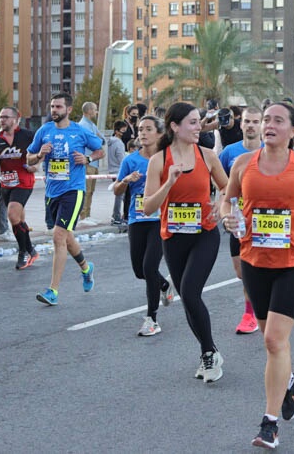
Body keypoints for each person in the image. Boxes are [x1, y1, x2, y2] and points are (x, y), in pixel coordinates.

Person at [221, 102, 294, 449]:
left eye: (277, 120)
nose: (269, 125)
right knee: (273, 344)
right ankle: (289, 384)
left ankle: (269, 423)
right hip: (255, 260)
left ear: (293, 129)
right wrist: (228, 217)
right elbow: (227, 201)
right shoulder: (243, 164)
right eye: (265, 119)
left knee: (273, 339)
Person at [142, 102, 229, 382]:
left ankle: (208, 354)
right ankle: (210, 351)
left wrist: (221, 202)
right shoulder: (159, 160)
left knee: (191, 292)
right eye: (192, 122)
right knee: (187, 300)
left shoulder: (207, 156)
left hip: (204, 233)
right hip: (174, 238)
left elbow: (228, 187)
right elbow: (147, 208)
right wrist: (168, 183)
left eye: (199, 121)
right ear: (174, 127)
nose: (198, 127)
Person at [27, 92, 104, 306]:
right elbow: (29, 158)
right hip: (52, 191)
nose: (54, 110)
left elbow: (100, 150)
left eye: (58, 107)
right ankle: (86, 269)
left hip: (73, 190)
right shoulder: (44, 130)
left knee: (59, 237)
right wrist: (39, 155)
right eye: (52, 106)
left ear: (69, 110)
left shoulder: (79, 131)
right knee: (66, 236)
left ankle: (53, 291)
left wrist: (87, 158)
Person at [113, 115, 173, 336]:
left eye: (148, 129)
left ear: (159, 133)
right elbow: (117, 190)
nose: (142, 133)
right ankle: (163, 285)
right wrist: (126, 180)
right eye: (140, 129)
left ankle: (152, 319)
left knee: (149, 267)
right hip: (137, 219)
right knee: (140, 271)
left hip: (160, 219)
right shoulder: (130, 160)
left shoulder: (167, 159)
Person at [218, 106, 264, 335]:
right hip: (239, 221)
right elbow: (220, 185)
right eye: (247, 121)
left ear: (262, 125)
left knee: (256, 269)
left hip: (265, 221)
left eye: (256, 121)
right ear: (241, 124)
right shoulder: (229, 152)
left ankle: (250, 313)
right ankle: (257, 303)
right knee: (241, 271)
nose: (251, 125)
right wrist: (222, 211)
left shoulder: (272, 150)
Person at [0, 107, 40, 269]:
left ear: (17, 118)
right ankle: (31, 250)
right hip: (6, 184)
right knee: (18, 220)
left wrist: (36, 165)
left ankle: (22, 252)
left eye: (6, 117)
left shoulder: (28, 136)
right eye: (0, 117)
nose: (2, 120)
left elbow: (40, 154)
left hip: (24, 182)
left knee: (12, 214)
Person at [78, 102, 104, 224]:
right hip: (88, 161)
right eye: (94, 109)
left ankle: (88, 214)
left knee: (91, 190)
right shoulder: (83, 125)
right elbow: (96, 141)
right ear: (89, 111)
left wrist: (98, 138)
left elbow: (102, 138)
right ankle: (83, 216)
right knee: (86, 190)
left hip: (94, 162)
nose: (96, 112)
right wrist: (98, 139)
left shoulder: (91, 124)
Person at [106, 121, 128, 226]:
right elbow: (121, 159)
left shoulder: (111, 142)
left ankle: (117, 216)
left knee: (119, 195)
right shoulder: (118, 143)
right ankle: (117, 216)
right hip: (119, 171)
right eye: (123, 130)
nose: (124, 133)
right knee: (122, 195)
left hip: (113, 170)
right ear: (117, 131)